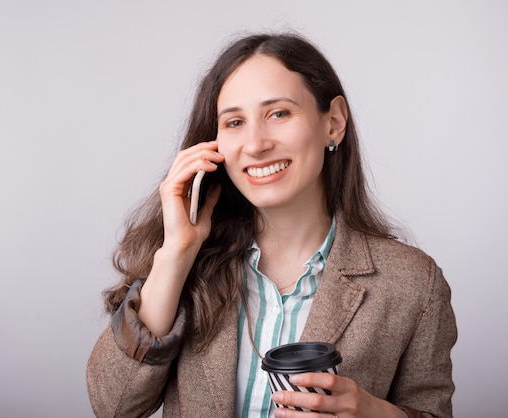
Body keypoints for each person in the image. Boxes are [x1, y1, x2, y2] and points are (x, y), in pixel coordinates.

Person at [86, 32, 457, 418]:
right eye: (234, 122)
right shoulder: (188, 264)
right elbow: (113, 406)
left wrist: (380, 415)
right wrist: (176, 254)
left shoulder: (413, 283)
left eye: (278, 113)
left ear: (333, 123)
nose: (255, 144)